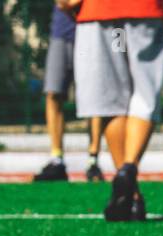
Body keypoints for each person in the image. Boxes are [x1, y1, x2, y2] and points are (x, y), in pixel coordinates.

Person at [70, 0, 163, 222]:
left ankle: (131, 191)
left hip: (100, 10)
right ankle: (128, 171)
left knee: (112, 96)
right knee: (145, 93)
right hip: (142, 9)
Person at [33, 1, 105, 183]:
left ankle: (93, 160)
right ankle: (56, 159)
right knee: (53, 92)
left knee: (96, 97)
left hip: (95, 31)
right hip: (62, 32)